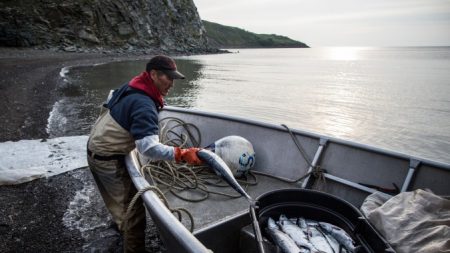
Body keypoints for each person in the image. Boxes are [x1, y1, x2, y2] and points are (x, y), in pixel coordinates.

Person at [86, 55, 202, 253]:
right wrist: (182, 153)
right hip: (107, 158)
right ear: (153, 74)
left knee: (118, 203)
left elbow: (111, 97)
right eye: (168, 78)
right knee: (134, 214)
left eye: (174, 79)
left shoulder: (133, 86)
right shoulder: (144, 105)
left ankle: (119, 225)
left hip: (95, 148)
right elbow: (147, 148)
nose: (172, 84)